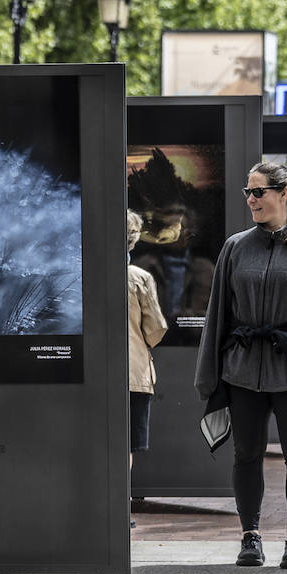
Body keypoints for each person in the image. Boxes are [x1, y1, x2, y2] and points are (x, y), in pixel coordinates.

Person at [196, 162, 287, 570]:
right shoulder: (235, 246)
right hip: (241, 371)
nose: (251, 200)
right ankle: (250, 536)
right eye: (248, 192)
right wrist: (208, 374)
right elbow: (218, 314)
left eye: (258, 192)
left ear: (283, 194)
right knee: (246, 455)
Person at [127, 210, 168, 522]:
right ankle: (120, 503)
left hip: (89, 374)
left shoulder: (81, 272)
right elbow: (155, 329)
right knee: (125, 445)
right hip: (133, 372)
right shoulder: (139, 279)